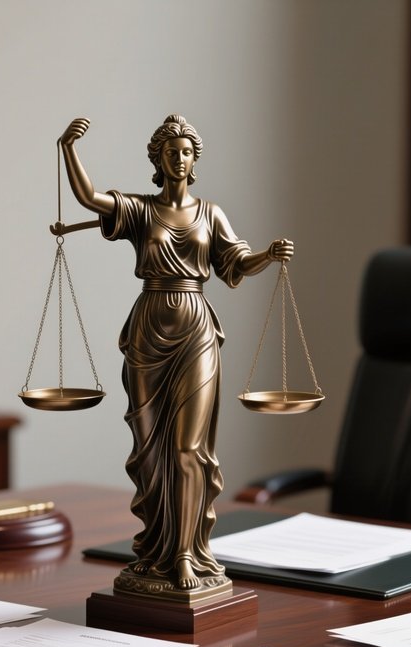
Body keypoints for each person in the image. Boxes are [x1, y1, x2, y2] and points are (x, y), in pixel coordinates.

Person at [60, 114, 294, 594]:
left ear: (194, 160)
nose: (179, 157)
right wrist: (68, 148)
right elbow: (88, 198)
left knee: (188, 448)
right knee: (151, 452)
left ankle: (185, 554)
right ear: (157, 158)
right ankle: (157, 552)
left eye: (186, 151)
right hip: (148, 330)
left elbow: (235, 262)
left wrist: (268, 256)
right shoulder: (141, 211)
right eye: (170, 150)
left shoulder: (212, 214)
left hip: (196, 329)